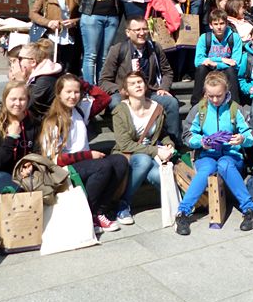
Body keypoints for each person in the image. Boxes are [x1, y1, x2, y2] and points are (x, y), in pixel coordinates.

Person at [40, 73, 128, 234]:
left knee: (120, 161)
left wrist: (81, 82)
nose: (73, 96)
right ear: (59, 93)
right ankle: (90, 213)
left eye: (76, 92)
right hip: (65, 167)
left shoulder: (79, 110)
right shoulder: (53, 120)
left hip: (87, 162)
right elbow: (54, 159)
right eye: (68, 92)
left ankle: (100, 211)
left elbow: (103, 99)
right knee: (103, 166)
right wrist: (88, 155)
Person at [175, 72, 253, 235]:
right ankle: (183, 212)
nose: (214, 100)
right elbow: (187, 136)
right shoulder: (199, 109)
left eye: (218, 96)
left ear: (226, 91)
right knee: (207, 168)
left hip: (232, 156)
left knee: (224, 164)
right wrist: (201, 142)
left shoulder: (236, 109)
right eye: (210, 96)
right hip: (206, 155)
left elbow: (250, 135)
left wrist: (242, 139)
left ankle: (249, 210)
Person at [100, 17, 181, 148]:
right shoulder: (118, 49)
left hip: (148, 92)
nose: (142, 33)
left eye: (144, 29)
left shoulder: (155, 48)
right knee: (116, 103)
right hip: (124, 93)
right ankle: (129, 142)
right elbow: (104, 80)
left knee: (171, 102)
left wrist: (164, 87)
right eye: (137, 29)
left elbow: (167, 72)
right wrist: (121, 90)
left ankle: (173, 144)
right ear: (127, 32)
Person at [111, 72, 175, 225]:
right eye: (132, 84)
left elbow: (162, 133)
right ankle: (123, 204)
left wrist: (169, 144)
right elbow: (124, 144)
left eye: (140, 82)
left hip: (151, 153)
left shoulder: (157, 108)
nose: (138, 85)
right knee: (144, 161)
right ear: (125, 90)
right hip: (128, 153)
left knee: (157, 176)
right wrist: (157, 151)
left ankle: (174, 204)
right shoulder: (120, 110)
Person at [0, 80, 37, 194]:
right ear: (5, 99)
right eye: (13, 99)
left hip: (25, 173)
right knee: (17, 190)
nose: (17, 103)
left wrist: (32, 165)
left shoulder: (34, 123)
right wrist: (11, 137)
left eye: (22, 99)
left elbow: (38, 151)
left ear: (28, 101)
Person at [30, 0, 81, 76]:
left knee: (67, 72)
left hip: (70, 38)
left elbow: (82, 16)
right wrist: (48, 23)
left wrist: (74, 22)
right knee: (51, 71)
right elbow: (33, 13)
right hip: (52, 37)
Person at [191, 8, 242, 106]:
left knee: (231, 71)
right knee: (201, 68)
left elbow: (236, 63)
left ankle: (235, 106)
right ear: (210, 25)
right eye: (216, 24)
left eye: (222, 23)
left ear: (226, 24)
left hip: (226, 70)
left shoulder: (234, 37)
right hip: (210, 69)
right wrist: (222, 60)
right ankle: (195, 105)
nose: (219, 27)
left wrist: (213, 62)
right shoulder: (204, 38)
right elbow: (197, 61)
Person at [10, 39, 63, 125]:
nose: (17, 63)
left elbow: (22, 108)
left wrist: (20, 82)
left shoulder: (43, 82)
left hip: (48, 128)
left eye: (20, 59)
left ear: (33, 62)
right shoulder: (40, 77)